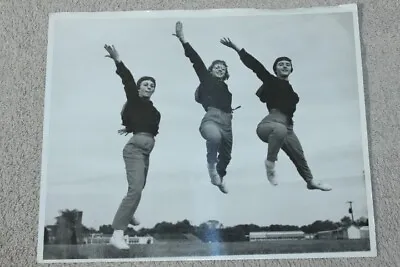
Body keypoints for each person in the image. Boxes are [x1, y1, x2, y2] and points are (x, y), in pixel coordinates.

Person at [220, 38, 331, 192]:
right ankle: (270, 164)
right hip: (269, 124)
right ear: (275, 70)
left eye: (287, 64)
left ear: (291, 69)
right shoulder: (271, 81)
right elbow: (256, 66)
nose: (284, 66)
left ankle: (310, 181)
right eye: (280, 64)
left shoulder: (293, 93)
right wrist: (237, 48)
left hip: (288, 126)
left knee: (299, 155)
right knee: (280, 130)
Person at [104, 44, 161, 249]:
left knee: (138, 189)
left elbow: (143, 124)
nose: (149, 87)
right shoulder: (135, 100)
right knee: (135, 189)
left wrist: (129, 126)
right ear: (139, 88)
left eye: (152, 85)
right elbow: (127, 79)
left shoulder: (153, 110)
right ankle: (117, 234)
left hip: (145, 152)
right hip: (135, 150)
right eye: (146, 84)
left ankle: (128, 213)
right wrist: (118, 60)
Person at [173, 21, 240, 194]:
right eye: (216, 67)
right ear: (210, 71)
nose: (220, 69)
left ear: (226, 74)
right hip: (211, 118)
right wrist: (183, 40)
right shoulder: (207, 79)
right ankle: (211, 167)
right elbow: (196, 61)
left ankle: (219, 177)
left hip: (227, 121)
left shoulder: (226, 88)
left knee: (226, 155)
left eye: (223, 68)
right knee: (214, 138)